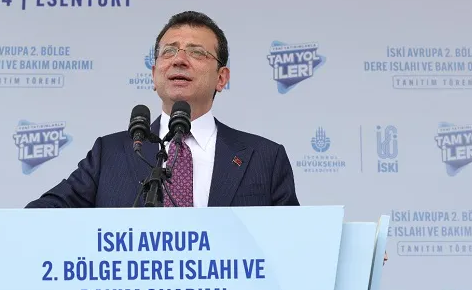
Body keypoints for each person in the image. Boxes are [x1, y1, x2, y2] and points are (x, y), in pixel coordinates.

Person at [25, 11, 300, 208]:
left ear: (221, 77)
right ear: (154, 74)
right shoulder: (109, 154)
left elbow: (293, 243)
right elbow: (41, 217)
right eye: (168, 51)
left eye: (197, 52)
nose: (179, 60)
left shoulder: (265, 158)